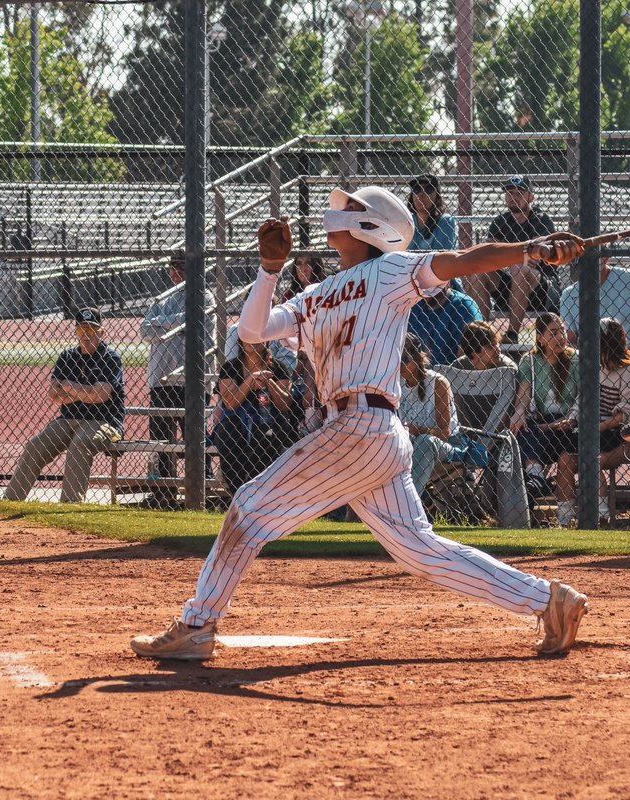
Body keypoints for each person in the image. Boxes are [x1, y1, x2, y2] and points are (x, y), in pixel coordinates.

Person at [130, 184, 589, 660]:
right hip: (365, 434)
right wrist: (269, 271)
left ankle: (198, 625)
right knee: (421, 551)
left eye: (350, 208)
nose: (338, 213)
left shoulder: (390, 270)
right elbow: (251, 331)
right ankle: (548, 600)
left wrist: (529, 249)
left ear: (373, 225)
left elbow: (462, 260)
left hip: (360, 426)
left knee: (248, 507)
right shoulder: (317, 293)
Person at [4, 307, 125, 503]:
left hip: (104, 421)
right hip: (68, 420)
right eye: (81, 330)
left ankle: (71, 503)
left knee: (80, 443)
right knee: (36, 445)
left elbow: (100, 396)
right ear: (76, 332)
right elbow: (53, 394)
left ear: (101, 332)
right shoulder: (67, 357)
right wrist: (84, 392)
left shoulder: (110, 357)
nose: (86, 335)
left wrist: (70, 387)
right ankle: (10, 500)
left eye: (92, 330)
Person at [551, 318, 630, 527]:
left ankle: (601, 516)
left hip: (617, 434)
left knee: (591, 461)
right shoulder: (594, 368)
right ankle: (565, 519)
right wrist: (571, 419)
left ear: (606, 343)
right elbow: (581, 400)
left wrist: (601, 426)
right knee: (565, 460)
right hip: (591, 432)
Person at [140, 256, 217, 503]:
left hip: (192, 379)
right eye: (172, 267)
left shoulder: (204, 296)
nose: (175, 272)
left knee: (195, 435)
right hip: (161, 378)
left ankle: (202, 488)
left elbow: (194, 321)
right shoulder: (161, 299)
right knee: (162, 437)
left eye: (181, 266)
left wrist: (164, 327)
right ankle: (163, 491)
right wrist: (179, 324)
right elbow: (145, 331)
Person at [462, 176, 557, 344]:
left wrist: (503, 254)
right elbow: (487, 255)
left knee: (520, 268)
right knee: (479, 272)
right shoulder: (500, 222)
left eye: (520, 193)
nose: (514, 197)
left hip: (540, 289)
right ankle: (483, 335)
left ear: (531, 197)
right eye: (510, 193)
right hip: (509, 286)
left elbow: (535, 255)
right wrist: (520, 254)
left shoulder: (541, 219)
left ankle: (512, 334)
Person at [399, 334, 487, 498]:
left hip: (449, 447)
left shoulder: (437, 382)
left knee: (425, 441)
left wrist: (417, 430)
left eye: (405, 361)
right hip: (408, 445)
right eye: (396, 361)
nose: (400, 366)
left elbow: (445, 433)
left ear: (417, 357)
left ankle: (408, 504)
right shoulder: (395, 383)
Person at [212, 339, 299, 493]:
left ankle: (256, 493)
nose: (254, 340)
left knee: (266, 437)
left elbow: (284, 405)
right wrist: (250, 380)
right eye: (250, 337)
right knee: (227, 436)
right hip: (236, 416)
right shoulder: (230, 367)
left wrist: (268, 382)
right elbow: (231, 403)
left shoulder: (278, 367)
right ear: (241, 341)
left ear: (267, 341)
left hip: (269, 416)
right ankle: (238, 493)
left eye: (259, 336)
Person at [509, 313, 579, 486]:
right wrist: (519, 412)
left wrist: (570, 418)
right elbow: (524, 395)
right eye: (553, 333)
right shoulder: (530, 360)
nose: (561, 337)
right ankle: (536, 476)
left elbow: (583, 396)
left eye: (562, 330)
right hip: (542, 423)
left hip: (569, 422)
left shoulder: (576, 359)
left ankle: (535, 482)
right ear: (540, 339)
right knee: (522, 427)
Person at [407, 283, 483, 366]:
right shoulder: (414, 304)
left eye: (434, 283)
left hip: (451, 373)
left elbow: (468, 357)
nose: (429, 290)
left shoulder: (463, 306)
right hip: (419, 373)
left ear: (448, 282)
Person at [406, 174, 458, 252]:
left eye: (428, 190)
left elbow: (441, 257)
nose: (421, 194)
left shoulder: (446, 221)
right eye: (417, 189)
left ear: (437, 195)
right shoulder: (407, 221)